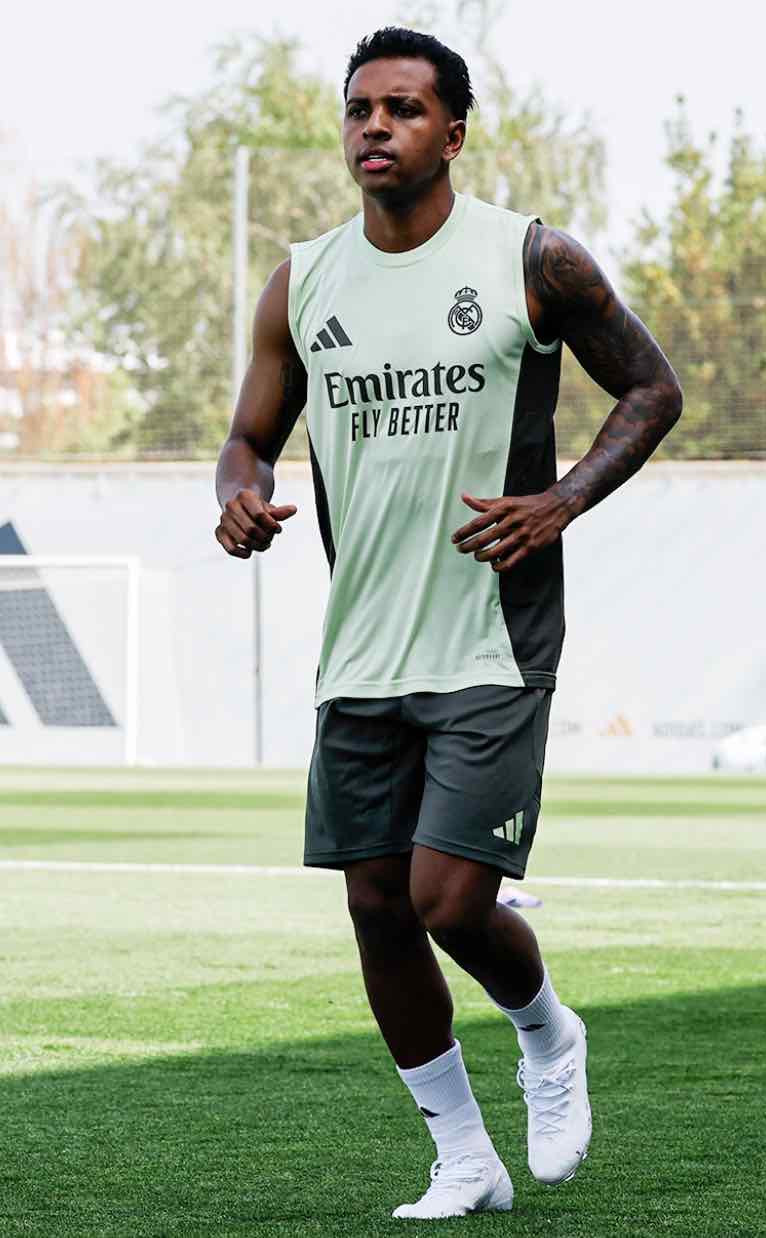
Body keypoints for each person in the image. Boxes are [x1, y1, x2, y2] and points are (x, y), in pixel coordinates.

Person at [215, 26, 681, 1221]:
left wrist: (561, 500)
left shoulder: (531, 259)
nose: (375, 125)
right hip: (360, 645)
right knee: (375, 905)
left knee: (447, 899)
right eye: (359, 108)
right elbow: (248, 438)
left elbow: (652, 386)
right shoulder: (302, 281)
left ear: (454, 134)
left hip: (490, 636)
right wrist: (239, 496)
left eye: (404, 108)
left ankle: (548, 1029)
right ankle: (463, 1156)